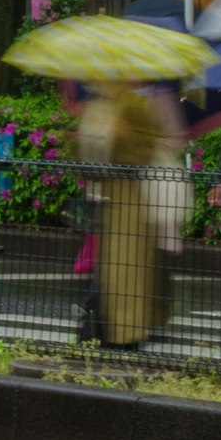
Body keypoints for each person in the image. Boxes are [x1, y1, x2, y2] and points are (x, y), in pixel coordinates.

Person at [75, 75, 180, 351]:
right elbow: (85, 155)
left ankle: (120, 334)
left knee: (127, 268)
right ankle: (103, 331)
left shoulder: (136, 105)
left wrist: (123, 136)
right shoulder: (101, 105)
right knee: (114, 269)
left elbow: (145, 152)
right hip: (112, 198)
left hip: (133, 199)